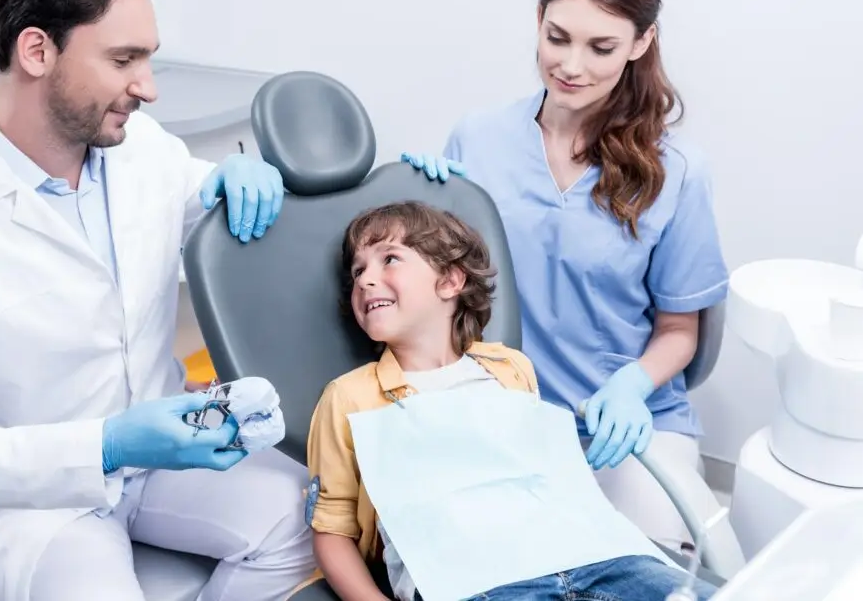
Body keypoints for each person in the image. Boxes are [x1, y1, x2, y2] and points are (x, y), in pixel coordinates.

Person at [0, 0, 315, 601]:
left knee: (314, 517)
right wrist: (103, 444)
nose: (147, 87)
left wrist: (237, 176)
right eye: (123, 59)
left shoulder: (139, 148)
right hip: (30, 505)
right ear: (36, 50)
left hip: (163, 454)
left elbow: (189, 193)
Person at [400, 0, 729, 551]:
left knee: (656, 574)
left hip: (627, 427)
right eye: (557, 38)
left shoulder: (677, 170)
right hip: (502, 419)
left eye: (601, 46)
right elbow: (439, 291)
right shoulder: (479, 139)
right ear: (538, 22)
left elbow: (681, 332)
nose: (572, 65)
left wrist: (632, 387)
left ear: (641, 42)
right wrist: (416, 202)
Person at [303, 201, 717, 601]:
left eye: (389, 259)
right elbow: (333, 534)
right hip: (474, 582)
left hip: (593, 556)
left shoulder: (509, 368)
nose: (365, 279)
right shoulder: (350, 398)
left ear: (450, 281)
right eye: (358, 270)